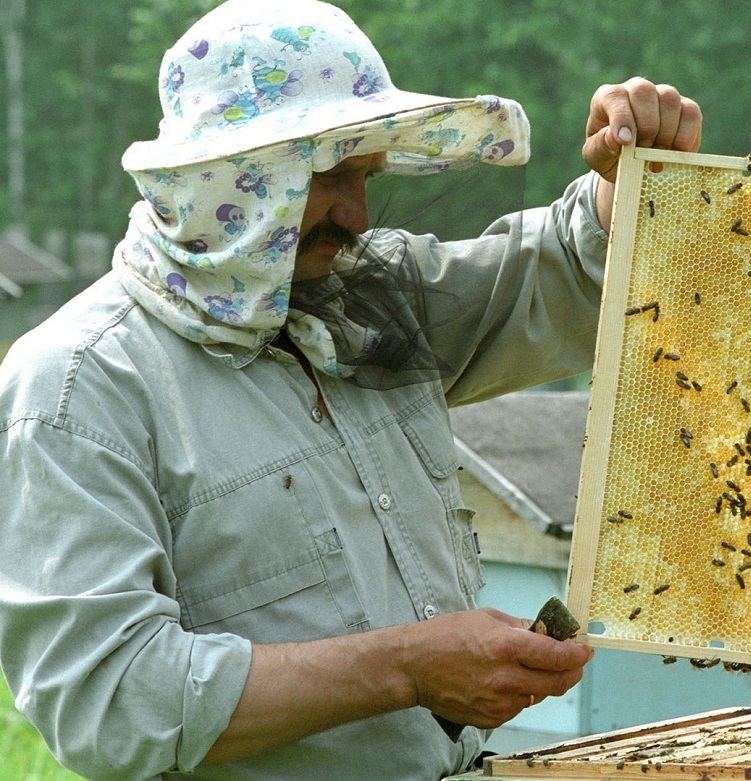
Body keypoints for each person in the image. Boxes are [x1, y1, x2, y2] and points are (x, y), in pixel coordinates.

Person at [0, 1, 702, 779]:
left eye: (365, 176)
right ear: (232, 175)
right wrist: (407, 666)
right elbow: (111, 701)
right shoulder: (76, 389)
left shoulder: (362, 291)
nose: (357, 214)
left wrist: (629, 178)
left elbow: (554, 280)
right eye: (330, 175)